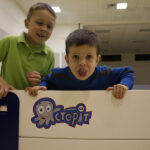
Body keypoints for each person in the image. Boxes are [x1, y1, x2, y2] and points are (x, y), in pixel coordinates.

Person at [26, 29, 135, 99]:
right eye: (76, 57)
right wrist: (41, 86)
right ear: (67, 60)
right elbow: (47, 79)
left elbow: (127, 72)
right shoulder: (59, 75)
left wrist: (124, 85)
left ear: (97, 60)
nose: (82, 63)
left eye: (89, 57)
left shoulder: (104, 73)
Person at [0, 3, 56, 98]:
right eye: (39, 23)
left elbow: (48, 83)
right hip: (7, 100)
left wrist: (39, 84)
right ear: (27, 23)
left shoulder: (50, 54)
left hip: (32, 104)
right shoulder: (9, 42)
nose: (44, 29)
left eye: (49, 26)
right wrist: (1, 82)